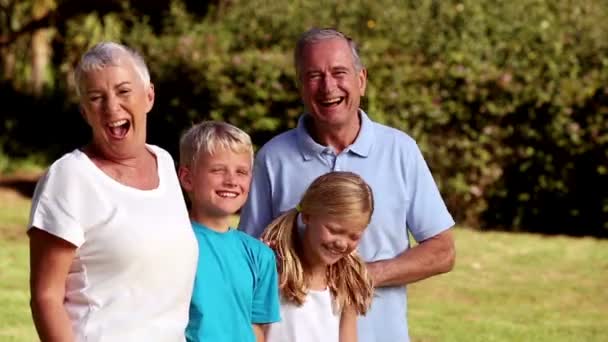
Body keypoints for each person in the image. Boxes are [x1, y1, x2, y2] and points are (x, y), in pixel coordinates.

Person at [239, 28, 456, 342]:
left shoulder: (400, 150)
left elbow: (443, 251)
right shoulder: (273, 157)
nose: (328, 86)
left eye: (339, 72)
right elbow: (249, 261)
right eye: (314, 75)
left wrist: (361, 275)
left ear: (361, 80)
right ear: (301, 86)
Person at [27, 42, 198, 341]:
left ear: (149, 96)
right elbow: (46, 298)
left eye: (123, 91)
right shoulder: (69, 177)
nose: (111, 106)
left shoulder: (166, 163)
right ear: (84, 112)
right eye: (96, 97)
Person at [177, 121, 281, 342]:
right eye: (217, 170)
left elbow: (257, 331)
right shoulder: (172, 242)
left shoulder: (260, 255)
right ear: (187, 178)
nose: (232, 180)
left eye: (241, 172)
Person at [261, 171, 375, 342]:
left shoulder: (345, 282)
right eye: (335, 231)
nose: (342, 244)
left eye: (354, 236)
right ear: (307, 216)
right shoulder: (271, 269)